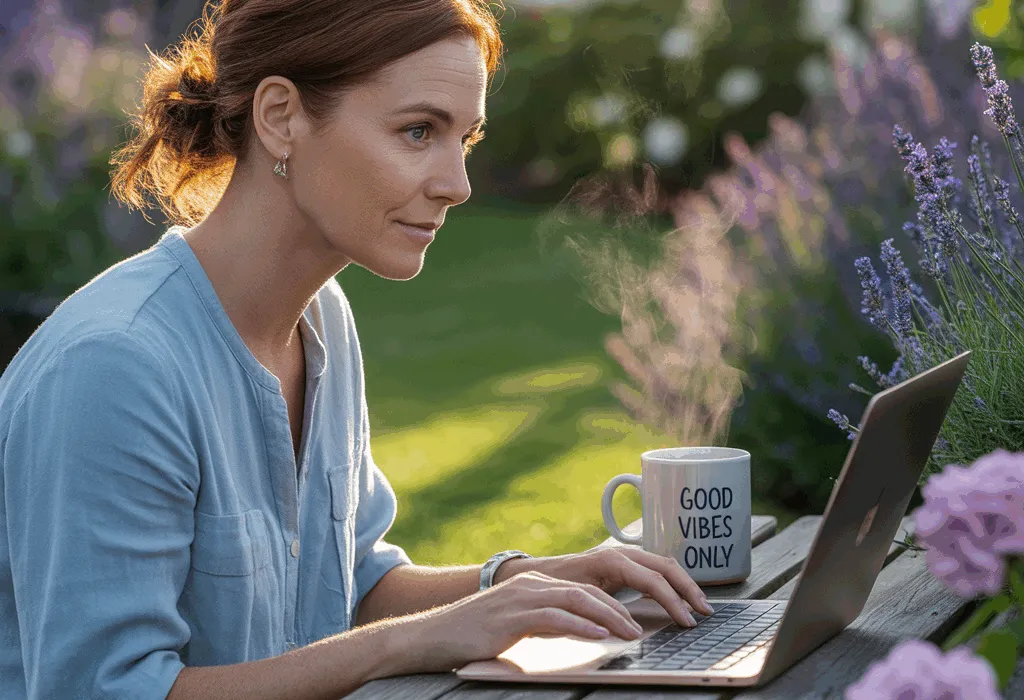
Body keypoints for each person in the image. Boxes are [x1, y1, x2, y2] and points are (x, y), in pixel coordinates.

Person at [0, 1, 715, 698]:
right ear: (281, 117)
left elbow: (352, 581)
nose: (457, 184)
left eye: (463, 139)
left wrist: (521, 579)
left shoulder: (322, 322)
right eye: (416, 132)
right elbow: (107, 688)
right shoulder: (116, 368)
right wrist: (410, 643)